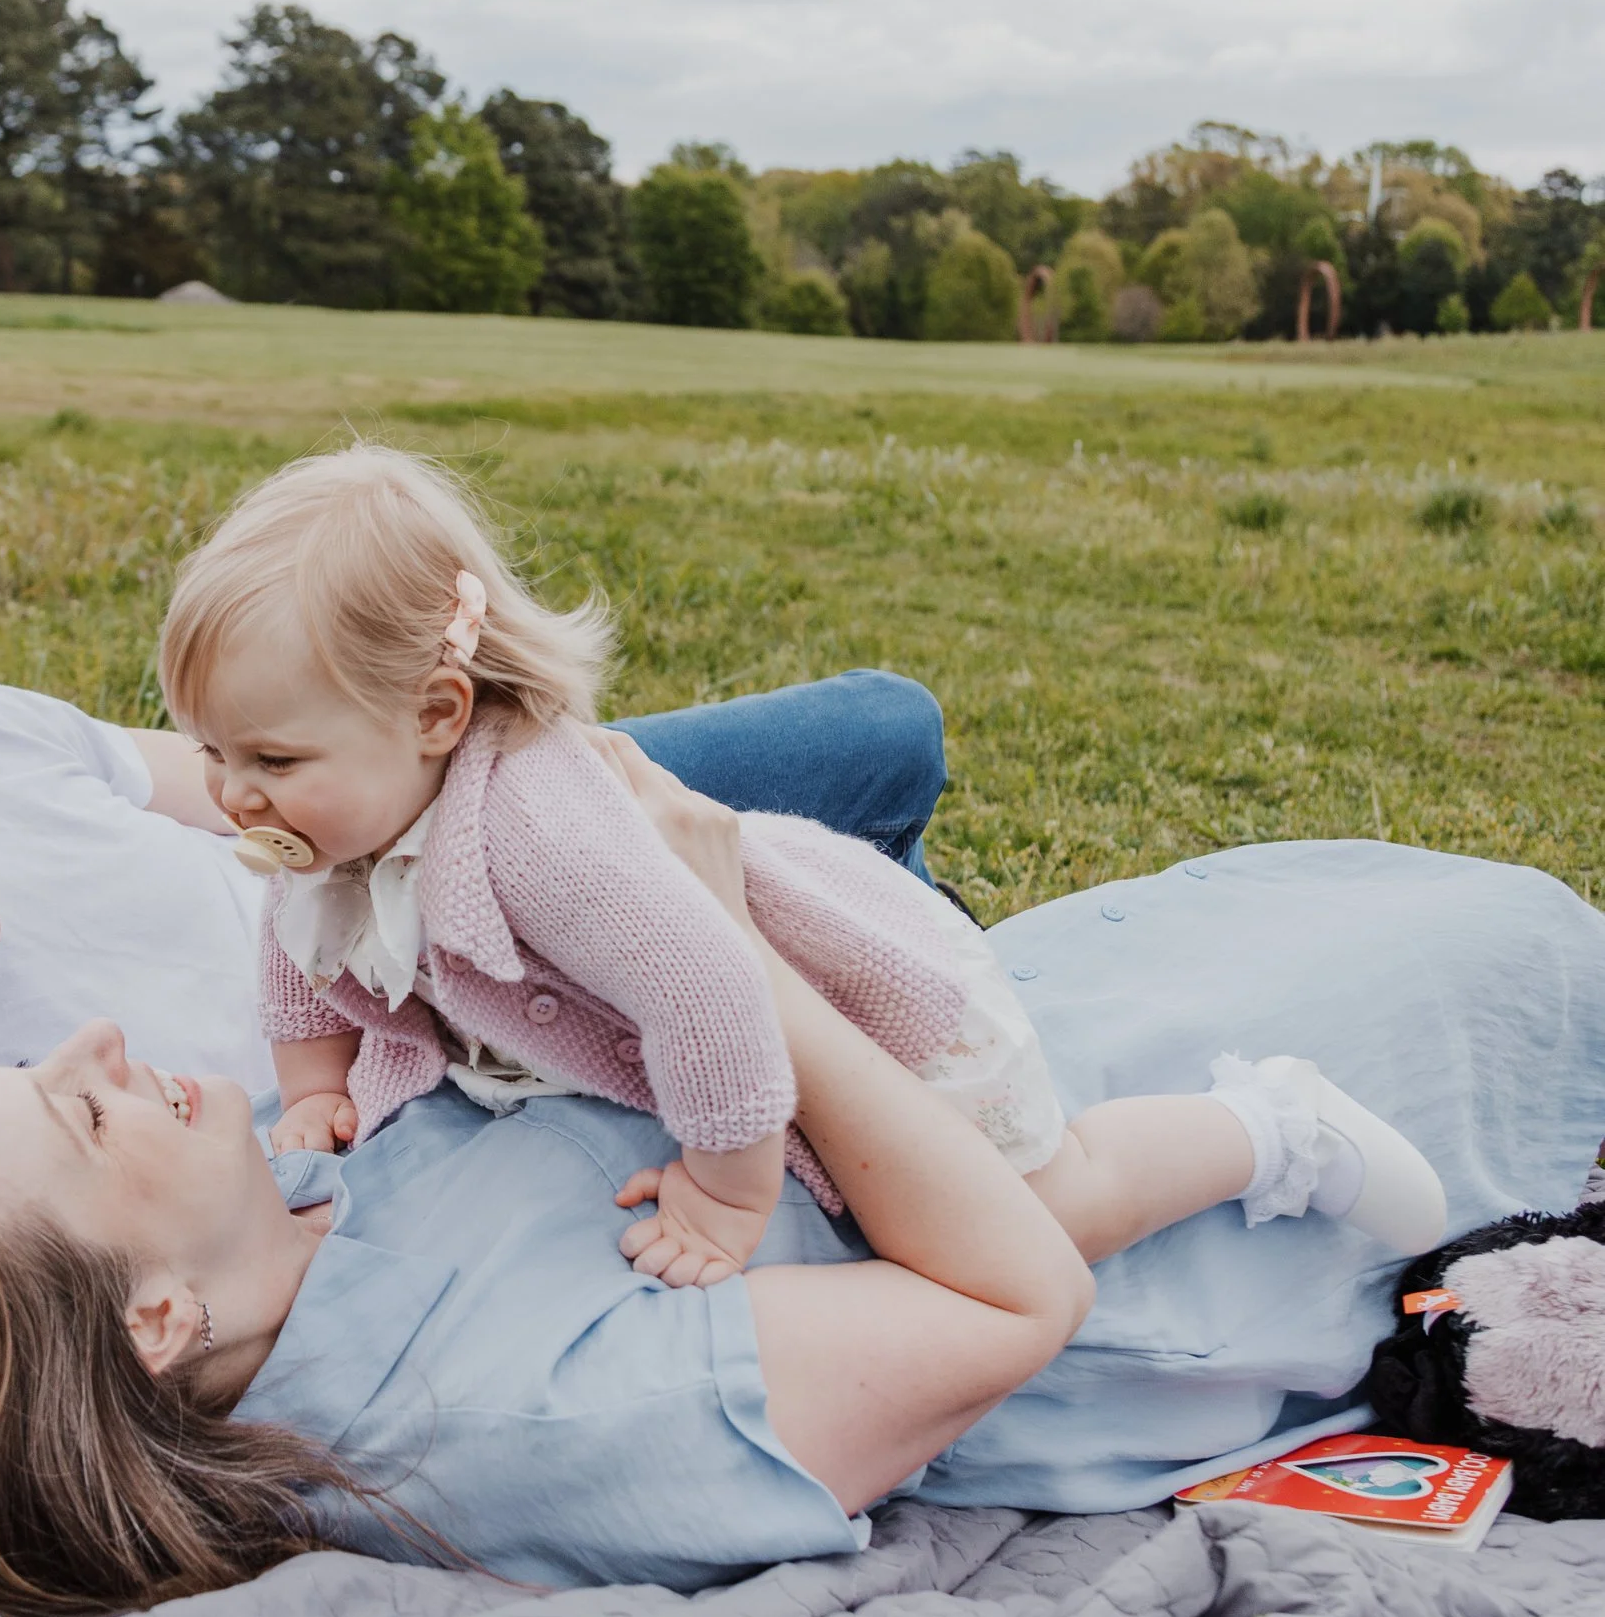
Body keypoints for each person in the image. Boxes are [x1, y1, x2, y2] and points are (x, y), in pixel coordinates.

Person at [0, 753, 1605, 1617]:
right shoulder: (510, 1426)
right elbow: (1009, 1292)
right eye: (72, 1118)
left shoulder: (290, 1219)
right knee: (1515, 951)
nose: (92, 1051)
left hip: (972, 1054)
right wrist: (717, 949)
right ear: (155, 1322)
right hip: (1182, 1220)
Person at [156, 447, 1443, 1282]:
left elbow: (714, 994)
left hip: (858, 990)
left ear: (437, 713)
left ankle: (1266, 1126)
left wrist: (724, 1193)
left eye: (265, 756)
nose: (231, 793)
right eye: (210, 749)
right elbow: (297, 929)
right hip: (712, 999)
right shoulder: (335, 809)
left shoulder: (542, 839)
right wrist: (313, 1073)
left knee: (1041, 1213)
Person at [0, 660, 951, 1149]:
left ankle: (909, 943)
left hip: (424, 844)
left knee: (887, 732)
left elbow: (232, 788)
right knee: (851, 1019)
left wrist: (519, 786)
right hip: (481, 1027)